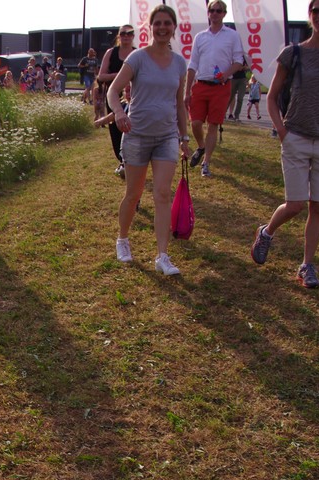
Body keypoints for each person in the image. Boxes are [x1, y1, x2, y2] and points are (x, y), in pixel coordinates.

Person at [251, 0, 319, 289]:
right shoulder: (293, 53)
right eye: (315, 11)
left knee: (318, 206)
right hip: (295, 135)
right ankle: (267, 232)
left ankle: (307, 265)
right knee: (295, 205)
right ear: (309, 15)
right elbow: (272, 97)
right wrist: (282, 130)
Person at [99, 3, 191, 276]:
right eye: (157, 23)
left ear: (174, 27)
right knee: (134, 194)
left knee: (162, 194)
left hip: (166, 136)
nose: (162, 28)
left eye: (167, 23)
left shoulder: (179, 63)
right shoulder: (137, 58)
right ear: (150, 28)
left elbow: (179, 104)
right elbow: (113, 91)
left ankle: (162, 256)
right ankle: (122, 239)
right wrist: (118, 112)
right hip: (136, 135)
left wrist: (184, 137)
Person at [184, 1, 245, 178]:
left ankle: (206, 163)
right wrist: (187, 92)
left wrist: (226, 74)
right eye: (212, 10)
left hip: (221, 87)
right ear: (208, 13)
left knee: (213, 125)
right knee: (195, 123)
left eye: (219, 11)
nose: (215, 13)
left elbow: (238, 61)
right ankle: (201, 146)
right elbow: (192, 64)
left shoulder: (232, 35)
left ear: (224, 14)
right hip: (201, 85)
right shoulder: (200, 37)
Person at [98, 25, 136, 177]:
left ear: (133, 36)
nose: (126, 36)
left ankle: (130, 162)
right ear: (119, 36)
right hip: (113, 95)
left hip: (132, 96)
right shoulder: (111, 53)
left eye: (130, 33)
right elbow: (101, 76)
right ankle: (122, 161)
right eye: (123, 33)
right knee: (115, 129)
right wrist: (120, 75)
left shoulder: (137, 53)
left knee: (131, 129)